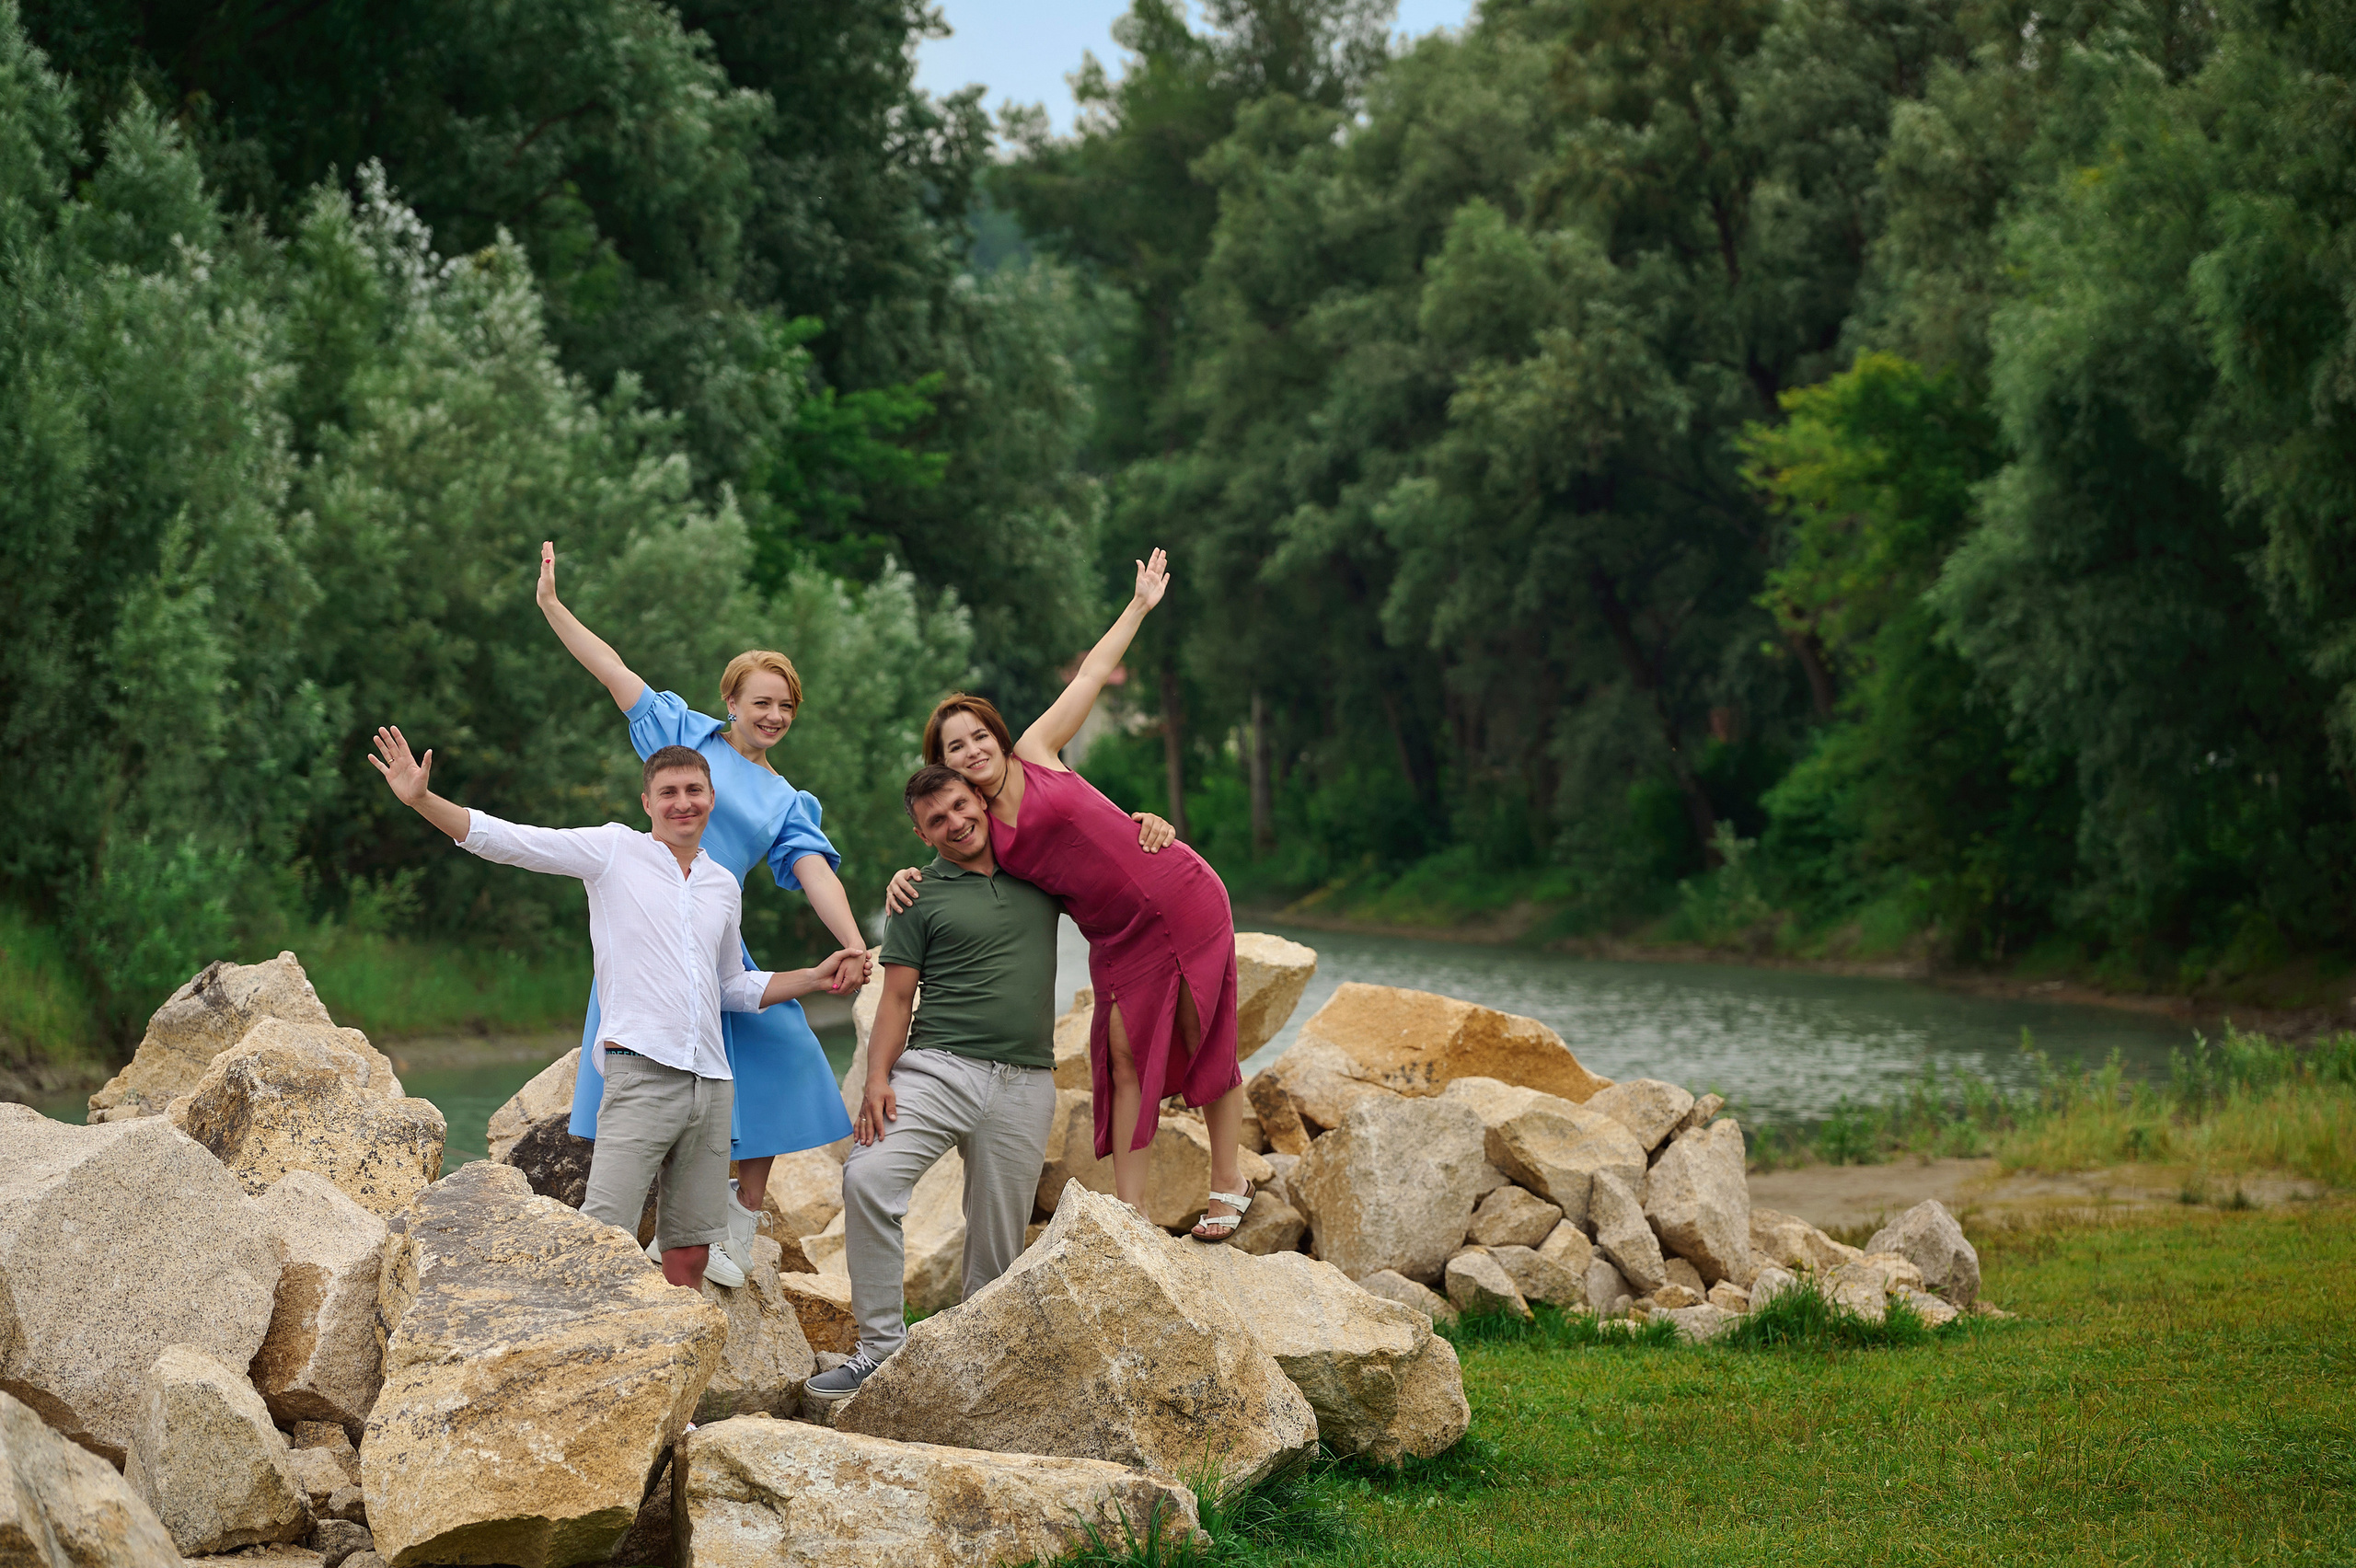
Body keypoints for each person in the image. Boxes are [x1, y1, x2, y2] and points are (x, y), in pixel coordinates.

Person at [367, 725, 861, 1288]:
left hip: (712, 1084)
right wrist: (423, 800)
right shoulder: (613, 851)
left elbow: (731, 986)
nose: (683, 803)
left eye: (694, 791)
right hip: (641, 1074)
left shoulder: (723, 884)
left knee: (692, 1251)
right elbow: (509, 840)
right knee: (603, 1240)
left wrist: (812, 978)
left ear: (712, 799)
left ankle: (675, 1342)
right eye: (668, 792)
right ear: (647, 802)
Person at [884, 548, 1253, 1242]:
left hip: (1178, 894)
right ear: (944, 765)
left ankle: (1229, 1180)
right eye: (954, 748)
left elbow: (1090, 674)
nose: (971, 751)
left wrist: (1138, 605)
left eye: (977, 736)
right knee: (1121, 1056)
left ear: (996, 735)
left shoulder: (1036, 750)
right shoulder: (977, 830)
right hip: (1116, 937)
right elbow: (945, 863)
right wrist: (902, 879)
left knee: (1203, 1032)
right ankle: (1132, 1215)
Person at [534, 540, 868, 1287]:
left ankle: (736, 1225)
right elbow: (613, 670)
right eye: (761, 702)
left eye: (786, 705)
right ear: (731, 703)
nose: (774, 715)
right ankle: (656, 1228)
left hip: (718, 939)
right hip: (652, 937)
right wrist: (554, 606)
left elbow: (814, 872)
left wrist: (852, 945)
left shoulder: (786, 800)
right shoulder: (684, 735)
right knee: (657, 1085)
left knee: (786, 1046)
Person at [802, 765, 1065, 1412]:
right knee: (869, 1177)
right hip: (938, 1070)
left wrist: (1148, 825)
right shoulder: (916, 895)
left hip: (1026, 1082)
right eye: (936, 820)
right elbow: (896, 999)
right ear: (922, 834)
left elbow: (1111, 861)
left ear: (981, 798)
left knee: (998, 1242)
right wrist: (877, 1079)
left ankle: (979, 1365)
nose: (955, 823)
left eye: (960, 806)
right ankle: (879, 1351)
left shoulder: (1040, 869)